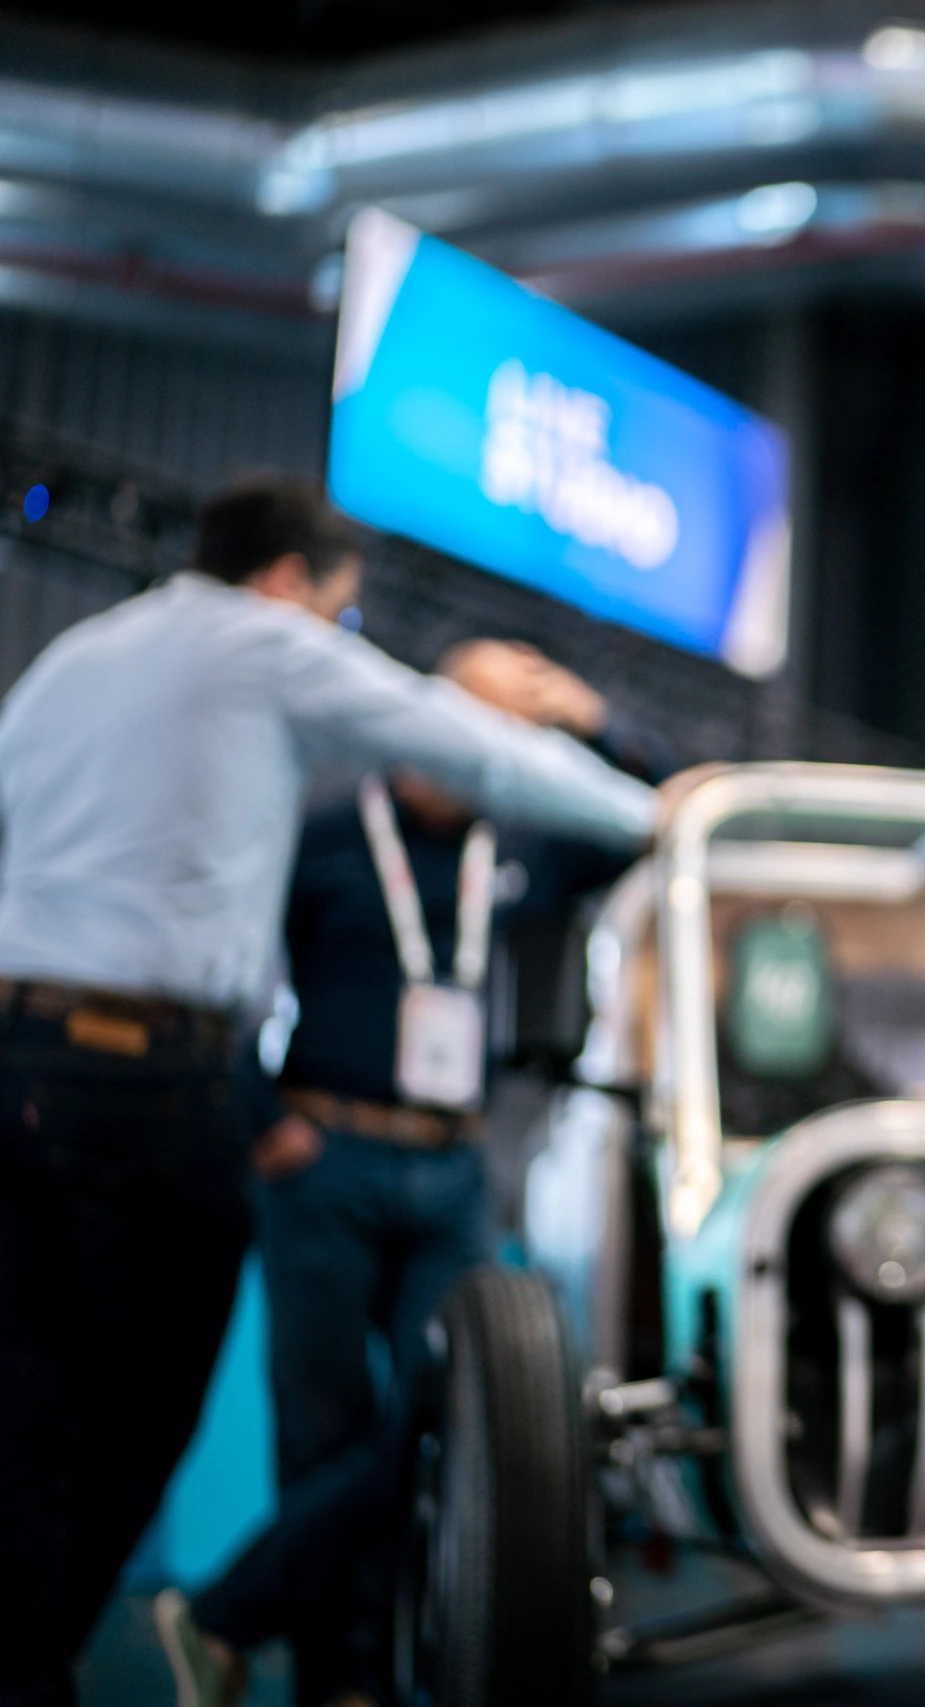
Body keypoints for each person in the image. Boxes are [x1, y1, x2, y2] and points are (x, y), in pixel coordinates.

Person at [0, 477, 657, 1707]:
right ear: (296, 583)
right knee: (140, 1418)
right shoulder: (264, 645)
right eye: (343, 616)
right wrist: (666, 809)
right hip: (165, 1087)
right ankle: (194, 1639)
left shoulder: (71, 663)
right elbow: (463, 738)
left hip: (22, 1063)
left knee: (30, 1409)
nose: (336, 642)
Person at [156, 639, 677, 1707]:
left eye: (510, 732)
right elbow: (221, 963)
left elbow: (660, 814)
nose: (486, 748)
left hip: (450, 1173)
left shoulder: (523, 836)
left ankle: (229, 1613)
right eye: (471, 722)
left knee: (452, 1419)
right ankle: (336, 1682)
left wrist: (593, 714)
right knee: (323, 1429)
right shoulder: (327, 831)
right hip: (324, 1158)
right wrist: (266, 1126)